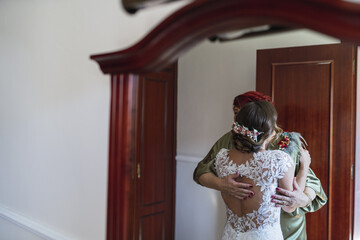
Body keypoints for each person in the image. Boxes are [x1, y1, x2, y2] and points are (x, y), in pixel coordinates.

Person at [193, 91, 327, 239]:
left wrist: (304, 198)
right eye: (235, 113)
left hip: (287, 227)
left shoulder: (288, 143)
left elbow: (311, 182)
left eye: (240, 113)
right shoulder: (228, 141)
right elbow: (201, 171)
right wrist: (221, 184)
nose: (236, 119)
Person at [215, 100, 302, 239]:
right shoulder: (278, 160)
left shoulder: (222, 158)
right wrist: (304, 167)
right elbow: (289, 206)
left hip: (231, 235)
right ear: (268, 129)